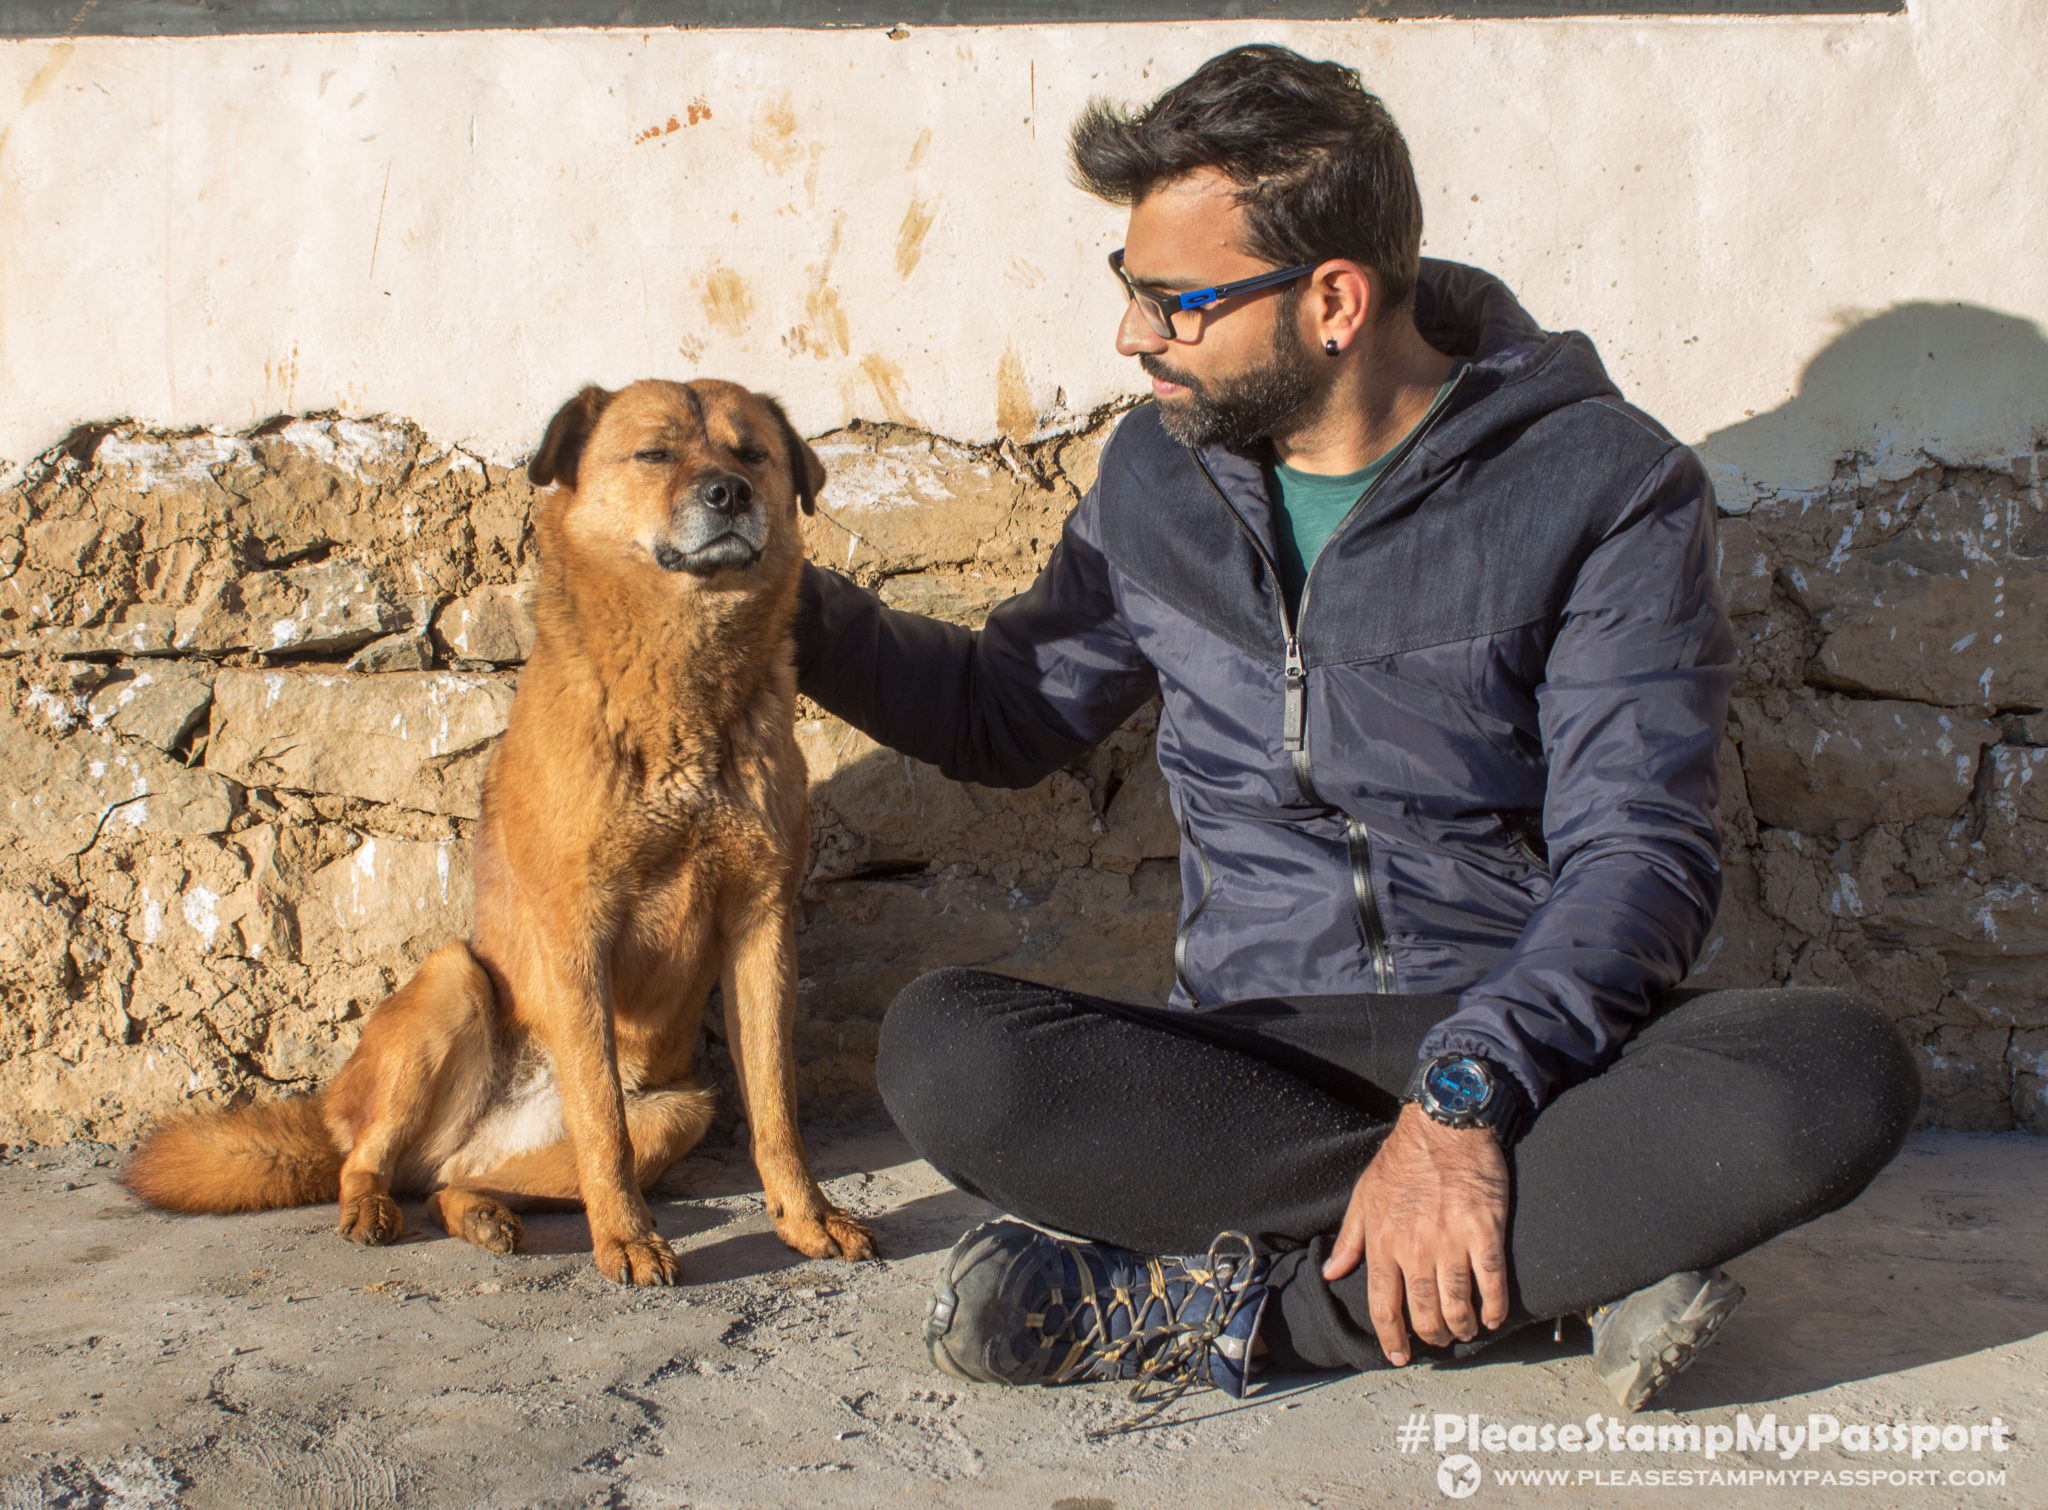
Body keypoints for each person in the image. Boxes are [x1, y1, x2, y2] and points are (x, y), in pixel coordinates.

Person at [795, 43, 1919, 1413]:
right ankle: (1574, 1259)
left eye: (1178, 303)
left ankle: (1229, 1304)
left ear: (1333, 300)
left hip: (1531, 1046)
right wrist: (769, 605)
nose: (1133, 338)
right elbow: (1008, 709)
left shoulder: (1605, 486)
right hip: (1255, 1059)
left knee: (1831, 1075)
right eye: (1130, 292)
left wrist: (1464, 1102)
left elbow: (1640, 851)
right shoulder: (1158, 475)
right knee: (944, 1053)